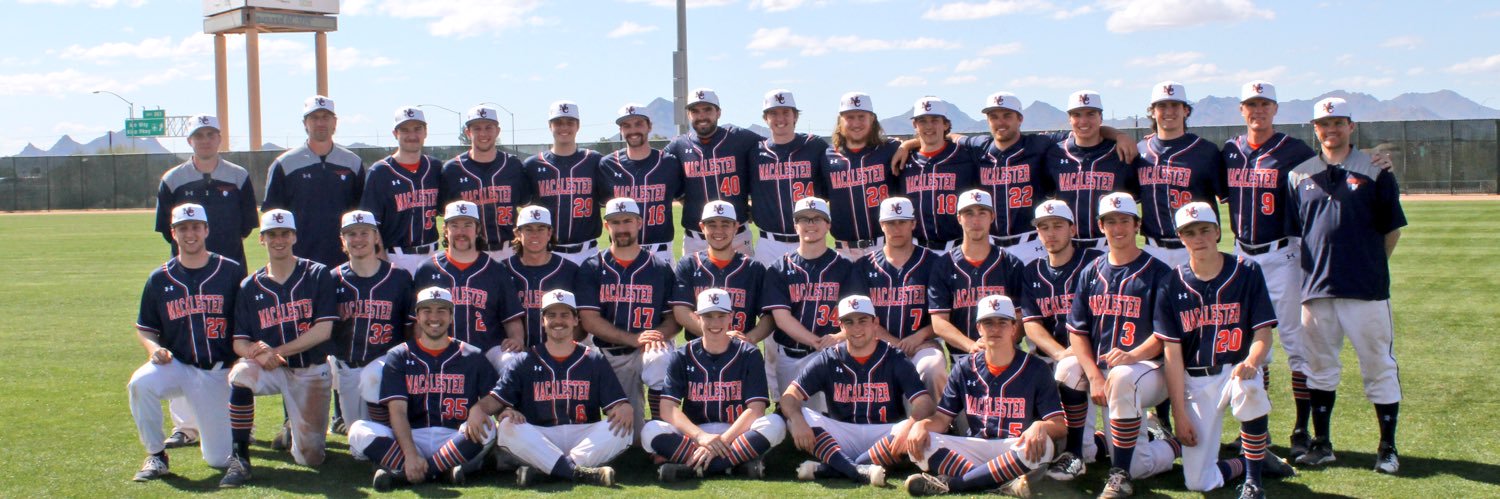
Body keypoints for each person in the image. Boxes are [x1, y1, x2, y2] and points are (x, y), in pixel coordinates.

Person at [1288, 97, 1406, 474]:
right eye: (1324, 123)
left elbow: (1391, 229)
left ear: (1351, 126)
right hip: (1317, 290)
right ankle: (1322, 444)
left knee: (1378, 367)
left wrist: (1370, 266)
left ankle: (1387, 448)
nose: (1331, 129)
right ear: (1315, 128)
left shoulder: (1374, 169)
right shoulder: (1299, 175)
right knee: (1319, 369)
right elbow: (1297, 233)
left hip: (1365, 290)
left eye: (1338, 122)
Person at [1156, 202, 1296, 499]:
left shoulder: (1246, 272)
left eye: (1205, 230)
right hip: (1197, 381)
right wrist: (1179, 413)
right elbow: (1172, 355)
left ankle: (1254, 482)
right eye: (1190, 232)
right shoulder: (1170, 284)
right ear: (1181, 238)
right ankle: (1248, 461)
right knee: (1198, 482)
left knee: (1250, 387)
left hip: (1234, 370)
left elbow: (1262, 334)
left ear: (1218, 232)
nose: (1199, 238)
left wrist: (1252, 361)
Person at [1217, 80, 1319, 458]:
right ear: (1241, 111)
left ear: (1275, 109)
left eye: (1264, 104)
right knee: (1250, 345)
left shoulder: (1294, 150)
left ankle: (1301, 429)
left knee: (1295, 341)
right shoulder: (1231, 150)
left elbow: (1333, 175)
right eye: (1250, 105)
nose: (1257, 111)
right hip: (1242, 255)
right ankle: (1257, 433)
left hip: (1282, 254)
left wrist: (1371, 160)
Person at [1057, 193, 1178, 498]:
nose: (1118, 227)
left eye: (1124, 220)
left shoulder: (1158, 272)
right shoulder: (1091, 272)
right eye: (1110, 221)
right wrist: (1095, 376)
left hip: (1150, 369)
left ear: (1137, 225)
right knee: (1068, 368)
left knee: (1122, 378)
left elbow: (1165, 335)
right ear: (1100, 226)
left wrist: (1132, 356)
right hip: (1107, 370)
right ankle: (1075, 453)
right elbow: (1078, 333)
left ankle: (1126, 470)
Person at [901, 295, 1062, 497]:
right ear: (979, 329)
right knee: (924, 440)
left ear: (1014, 328)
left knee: (1044, 446)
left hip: (1013, 448)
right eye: (988, 323)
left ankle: (953, 484)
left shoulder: (1036, 368)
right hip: (975, 447)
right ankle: (1002, 483)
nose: (995, 329)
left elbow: (1059, 426)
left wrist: (1041, 426)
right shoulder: (964, 367)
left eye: (1002, 322)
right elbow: (942, 419)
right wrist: (921, 425)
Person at [220, 209, 337, 488]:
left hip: (310, 369)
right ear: (262, 239)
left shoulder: (317, 274)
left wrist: (277, 350)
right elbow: (239, 341)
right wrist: (258, 353)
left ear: (294, 236)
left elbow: (324, 330)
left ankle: (292, 431)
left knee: (310, 458)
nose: (279, 240)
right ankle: (240, 457)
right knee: (241, 375)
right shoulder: (250, 286)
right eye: (272, 234)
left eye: (285, 233)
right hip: (269, 367)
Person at [128, 203, 244, 481]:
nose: (189, 233)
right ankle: (156, 456)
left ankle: (231, 432)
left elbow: (246, 324)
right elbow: (145, 328)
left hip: (218, 371)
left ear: (206, 230)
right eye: (183, 228)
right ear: (173, 233)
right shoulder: (159, 278)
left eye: (195, 227)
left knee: (219, 459)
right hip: (178, 366)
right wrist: (154, 349)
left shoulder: (230, 271)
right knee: (140, 384)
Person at [468, 289, 628, 488]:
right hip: (540, 436)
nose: (558, 321)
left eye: (564, 315)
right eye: (551, 315)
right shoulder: (525, 360)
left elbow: (616, 406)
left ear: (576, 320)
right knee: (508, 427)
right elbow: (495, 401)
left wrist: (623, 407)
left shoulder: (593, 359)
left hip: (582, 435)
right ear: (543, 320)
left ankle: (548, 471)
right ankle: (580, 472)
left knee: (623, 428)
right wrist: (478, 409)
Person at [347, 287, 498, 491]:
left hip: (454, 437)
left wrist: (479, 408)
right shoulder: (399, 355)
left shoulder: (471, 355)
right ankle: (441, 469)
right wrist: (410, 454)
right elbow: (397, 412)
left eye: (441, 310)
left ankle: (407, 472)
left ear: (452, 316)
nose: (434, 317)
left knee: (489, 428)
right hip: (410, 437)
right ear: (417, 316)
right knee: (358, 430)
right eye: (426, 310)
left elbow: (495, 398)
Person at [782, 295, 934, 487]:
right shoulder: (829, 358)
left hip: (884, 435)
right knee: (796, 415)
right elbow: (789, 396)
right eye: (849, 322)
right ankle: (859, 470)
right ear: (841, 327)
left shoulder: (894, 357)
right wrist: (796, 420)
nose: (856, 328)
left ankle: (834, 467)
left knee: (920, 430)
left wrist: (909, 425)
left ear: (875, 323)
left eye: (863, 320)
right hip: (842, 435)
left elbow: (925, 403)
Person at [642, 288, 787, 482]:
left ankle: (694, 468)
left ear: (731, 317)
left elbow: (756, 409)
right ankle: (732, 466)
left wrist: (724, 440)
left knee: (776, 425)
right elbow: (668, 409)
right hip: (695, 434)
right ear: (697, 317)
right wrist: (701, 437)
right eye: (708, 316)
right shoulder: (682, 354)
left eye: (721, 316)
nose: (715, 323)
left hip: (736, 433)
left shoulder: (749, 354)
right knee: (649, 431)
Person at [646, 201, 773, 418]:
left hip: (741, 354)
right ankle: (665, 427)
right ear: (702, 227)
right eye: (712, 224)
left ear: (737, 227)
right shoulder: (688, 265)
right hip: (698, 352)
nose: (718, 230)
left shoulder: (754, 268)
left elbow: (769, 316)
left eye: (725, 224)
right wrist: (716, 335)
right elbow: (681, 311)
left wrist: (749, 338)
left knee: (750, 417)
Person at [1014, 199, 1106, 480]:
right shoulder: (1031, 271)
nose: (1051, 233)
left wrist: (1074, 355)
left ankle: (1076, 454)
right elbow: (1031, 326)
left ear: (1072, 228)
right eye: (1044, 228)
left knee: (1070, 369)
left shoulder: (1094, 263)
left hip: (1090, 359)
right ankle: (1085, 447)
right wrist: (1060, 354)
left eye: (1057, 226)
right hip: (1049, 360)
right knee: (1034, 441)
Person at [575, 197, 679, 439]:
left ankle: (662, 435)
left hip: (647, 351)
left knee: (660, 357)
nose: (622, 228)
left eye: (628, 221)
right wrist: (633, 338)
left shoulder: (659, 267)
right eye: (615, 222)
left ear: (639, 223)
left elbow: (673, 319)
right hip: (612, 356)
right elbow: (589, 321)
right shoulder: (592, 267)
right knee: (628, 437)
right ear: (606, 226)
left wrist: (656, 336)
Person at [845, 197, 947, 400]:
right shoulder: (864, 266)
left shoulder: (934, 263)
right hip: (875, 343)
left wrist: (917, 338)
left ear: (913, 224)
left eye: (902, 222)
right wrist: (895, 343)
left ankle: (935, 425)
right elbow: (859, 317)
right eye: (891, 223)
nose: (897, 228)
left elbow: (943, 315)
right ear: (882, 225)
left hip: (923, 344)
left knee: (932, 368)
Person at [759, 196, 853, 411]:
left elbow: (857, 316)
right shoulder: (779, 268)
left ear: (828, 225)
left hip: (832, 354)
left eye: (817, 219)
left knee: (832, 417)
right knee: (794, 420)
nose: (811, 224)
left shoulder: (845, 266)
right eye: (804, 219)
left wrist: (837, 338)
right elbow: (781, 319)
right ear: (796, 225)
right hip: (791, 356)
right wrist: (816, 341)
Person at [411, 200, 525, 373]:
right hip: (442, 351)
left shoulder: (495, 269)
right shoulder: (427, 269)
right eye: (454, 225)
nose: (461, 232)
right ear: (445, 230)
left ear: (478, 229)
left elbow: (512, 318)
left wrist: (517, 339)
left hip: (488, 350)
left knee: (514, 362)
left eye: (467, 225)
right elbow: (417, 323)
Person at [328, 210, 412, 433]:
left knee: (372, 376)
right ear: (343, 240)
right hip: (348, 367)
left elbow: (411, 329)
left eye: (364, 233)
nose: (358, 239)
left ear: (376, 237)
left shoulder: (399, 277)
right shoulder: (333, 279)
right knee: (359, 447)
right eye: (351, 234)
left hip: (386, 365)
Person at [261, 95, 365, 267]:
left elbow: (362, 213)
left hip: (346, 260)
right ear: (305, 123)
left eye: (325, 117)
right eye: (314, 118)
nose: (320, 123)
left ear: (335, 122)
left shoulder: (352, 162)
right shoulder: (284, 163)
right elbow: (272, 216)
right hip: (298, 261)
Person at [928, 190, 1026, 366]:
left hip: (1006, 357)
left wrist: (996, 347)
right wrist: (972, 346)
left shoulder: (1011, 264)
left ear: (992, 216)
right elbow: (939, 323)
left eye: (982, 213)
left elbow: (1020, 319)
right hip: (961, 357)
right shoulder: (943, 265)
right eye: (969, 213)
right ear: (959, 218)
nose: (976, 220)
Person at [1133, 82, 1222, 269]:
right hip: (1152, 249)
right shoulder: (1140, 152)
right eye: (1162, 106)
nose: (1169, 111)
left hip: (1193, 248)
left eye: (1175, 105)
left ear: (1186, 111)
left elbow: (1230, 198)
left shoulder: (1206, 151)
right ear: (1153, 111)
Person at [961, 92, 1057, 264]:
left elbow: (1082, 134)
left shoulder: (1038, 144)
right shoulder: (980, 146)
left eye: (1007, 116)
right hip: (990, 244)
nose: (1000, 122)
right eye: (994, 117)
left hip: (1031, 242)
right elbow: (950, 138)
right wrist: (909, 143)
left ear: (1020, 119)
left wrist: (1117, 136)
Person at [154, 114, 256, 267]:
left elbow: (247, 225)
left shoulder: (239, 176)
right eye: (199, 135)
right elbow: (166, 229)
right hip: (185, 269)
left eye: (210, 135)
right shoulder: (172, 179)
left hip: (231, 266)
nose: (205, 140)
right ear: (190, 141)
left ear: (219, 139)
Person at [668, 88, 760, 257]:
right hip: (696, 238)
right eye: (695, 111)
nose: (702, 116)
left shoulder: (739, 138)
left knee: (744, 282)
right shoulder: (678, 146)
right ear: (688, 115)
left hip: (737, 236)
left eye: (708, 109)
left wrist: (760, 202)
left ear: (718, 112)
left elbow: (773, 154)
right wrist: (683, 197)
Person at [1045, 91, 1138, 249]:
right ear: (1069, 119)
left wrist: (1120, 135)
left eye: (1090, 114)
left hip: (1109, 246)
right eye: (1077, 115)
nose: (1083, 121)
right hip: (1068, 247)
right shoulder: (1054, 153)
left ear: (1101, 117)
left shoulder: (1120, 153)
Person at [748, 89, 830, 266]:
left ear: (795, 116)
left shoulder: (815, 146)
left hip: (809, 238)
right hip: (768, 242)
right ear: (765, 118)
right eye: (773, 113)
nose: (780, 119)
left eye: (786, 112)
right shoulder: (755, 152)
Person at [440, 105, 531, 263]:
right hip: (471, 252)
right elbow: (444, 214)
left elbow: (525, 203)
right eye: (477, 128)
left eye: (489, 127)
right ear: (468, 133)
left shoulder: (513, 166)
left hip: (510, 250)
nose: (483, 133)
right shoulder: (452, 170)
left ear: (497, 131)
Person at [822, 91, 905, 261]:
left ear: (872, 119)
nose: (856, 123)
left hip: (884, 246)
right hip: (843, 251)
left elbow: (932, 141)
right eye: (850, 117)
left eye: (861, 116)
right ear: (840, 120)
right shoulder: (826, 156)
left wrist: (910, 144)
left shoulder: (890, 149)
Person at [597, 103, 684, 263]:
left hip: (661, 252)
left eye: (638, 124)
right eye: (626, 125)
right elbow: (600, 203)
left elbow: (684, 198)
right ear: (621, 131)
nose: (633, 130)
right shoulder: (607, 165)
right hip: (620, 252)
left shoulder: (669, 163)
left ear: (649, 126)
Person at [361, 106, 442, 275]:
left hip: (433, 255)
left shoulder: (434, 167)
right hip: (395, 257)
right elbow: (370, 224)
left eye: (417, 129)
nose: (412, 135)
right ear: (395, 133)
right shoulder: (380, 172)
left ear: (425, 132)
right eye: (405, 130)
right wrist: (381, 261)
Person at [524, 100, 606, 265]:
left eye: (570, 122)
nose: (564, 127)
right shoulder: (533, 165)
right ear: (550, 126)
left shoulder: (594, 160)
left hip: (587, 253)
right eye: (558, 123)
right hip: (548, 252)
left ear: (578, 125)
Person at [897, 96, 980, 254]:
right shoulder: (903, 160)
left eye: (935, 120)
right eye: (922, 121)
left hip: (958, 248)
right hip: (915, 250)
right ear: (915, 125)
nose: (929, 126)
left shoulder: (966, 157)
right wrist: (906, 145)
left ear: (946, 124)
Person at [499, 205, 581, 357]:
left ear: (550, 232)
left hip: (558, 352)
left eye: (541, 229)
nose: (535, 235)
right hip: (515, 353)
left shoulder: (569, 270)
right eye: (528, 229)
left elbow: (580, 321)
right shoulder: (502, 270)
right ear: (518, 233)